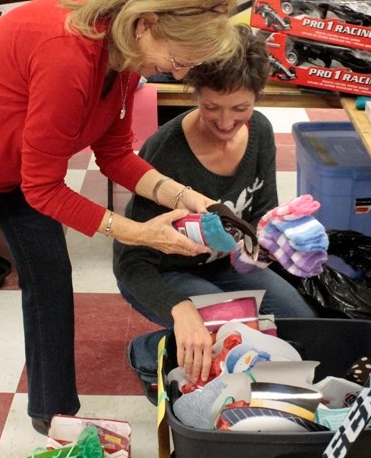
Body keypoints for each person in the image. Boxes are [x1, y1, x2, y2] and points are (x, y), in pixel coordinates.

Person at [0, 0, 241, 457]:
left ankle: (53, 411)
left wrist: (184, 196)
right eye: (178, 58)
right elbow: (44, 189)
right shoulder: (69, 53)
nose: (176, 72)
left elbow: (114, 153)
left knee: (50, 279)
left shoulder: (126, 51)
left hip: (19, 165)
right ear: (147, 23)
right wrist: (139, 232)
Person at [113, 24, 318, 396]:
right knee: (224, 336)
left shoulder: (260, 132)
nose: (226, 123)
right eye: (211, 108)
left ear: (258, 96)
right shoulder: (166, 150)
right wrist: (178, 308)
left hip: (227, 266)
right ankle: (149, 350)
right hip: (165, 272)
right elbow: (132, 264)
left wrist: (286, 238)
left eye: (240, 108)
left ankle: (190, 335)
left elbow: (261, 219)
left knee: (302, 327)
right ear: (193, 93)